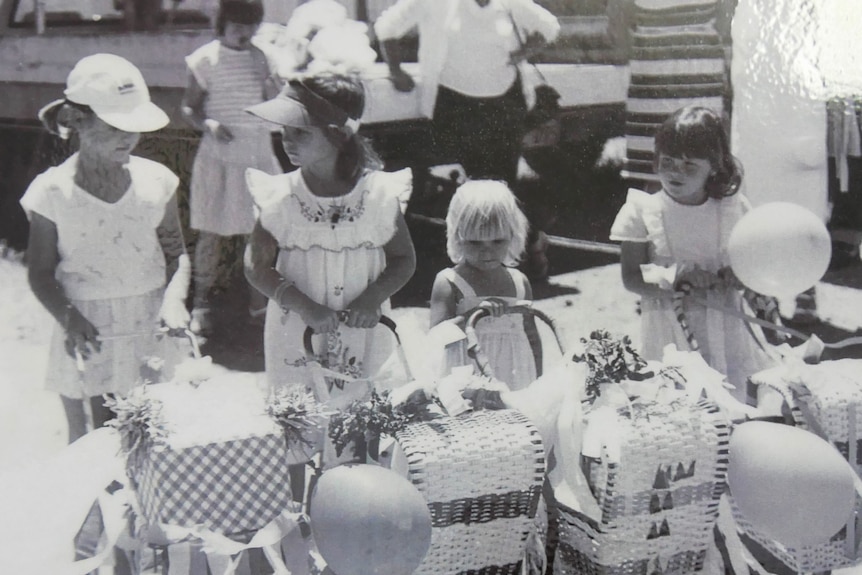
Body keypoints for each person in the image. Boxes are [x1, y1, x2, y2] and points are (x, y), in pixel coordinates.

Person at [243, 73, 416, 480]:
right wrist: (303, 305)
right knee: (297, 424)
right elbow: (255, 265)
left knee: (360, 418)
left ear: (338, 135)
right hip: (295, 331)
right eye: (283, 130)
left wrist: (373, 298)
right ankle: (299, 511)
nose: (286, 140)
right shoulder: (281, 197)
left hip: (363, 330)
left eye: (300, 131)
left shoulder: (377, 196)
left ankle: (355, 500)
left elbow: (403, 259)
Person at [21, 53, 191, 444]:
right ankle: (94, 506)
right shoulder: (52, 192)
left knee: (155, 435)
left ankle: (144, 507)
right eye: (116, 126)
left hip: (148, 322)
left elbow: (175, 254)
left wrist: (174, 300)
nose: (128, 138)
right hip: (88, 328)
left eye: (134, 127)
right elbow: (40, 273)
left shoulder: (157, 182)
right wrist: (69, 317)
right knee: (93, 439)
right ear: (77, 122)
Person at [610, 106, 777, 404]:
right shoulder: (642, 212)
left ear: (714, 166)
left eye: (690, 166)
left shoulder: (731, 209)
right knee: (679, 402)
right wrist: (676, 282)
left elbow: (754, 263)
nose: (675, 172)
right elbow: (631, 279)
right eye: (668, 162)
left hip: (728, 324)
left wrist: (738, 274)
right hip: (669, 327)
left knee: (735, 394)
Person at [373, 0, 560, 185]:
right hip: (455, 106)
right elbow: (387, 26)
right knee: (461, 183)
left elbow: (549, 27)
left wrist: (522, 53)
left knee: (504, 181)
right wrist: (395, 70)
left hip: (504, 106)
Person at [181, 0, 282, 335]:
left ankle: (261, 307)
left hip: (257, 155)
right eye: (238, 26)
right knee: (212, 234)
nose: (246, 33)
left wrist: (265, 73)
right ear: (222, 24)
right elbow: (190, 107)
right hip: (219, 156)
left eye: (252, 26)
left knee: (261, 233)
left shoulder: (263, 56)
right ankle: (201, 305)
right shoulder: (205, 59)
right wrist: (208, 124)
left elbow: (275, 102)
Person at [430, 179, 541, 391]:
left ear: (512, 235)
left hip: (516, 377)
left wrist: (538, 384)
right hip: (468, 378)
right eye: (475, 242)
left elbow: (532, 336)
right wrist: (471, 316)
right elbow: (436, 339)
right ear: (457, 237)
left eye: (497, 241)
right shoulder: (450, 282)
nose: (487, 251)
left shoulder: (519, 283)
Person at [621, 0, 731, 191]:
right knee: (657, 169)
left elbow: (729, 22)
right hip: (653, 78)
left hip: (699, 76)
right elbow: (619, 25)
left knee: (703, 162)